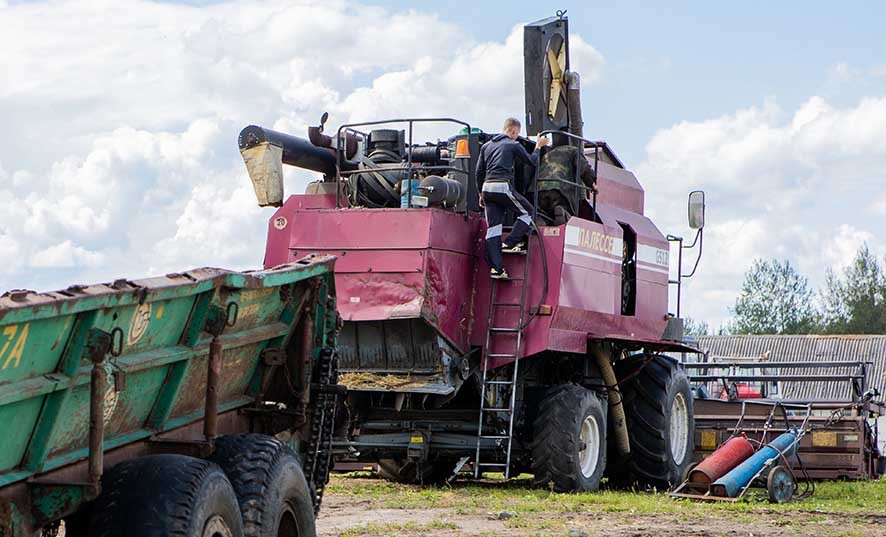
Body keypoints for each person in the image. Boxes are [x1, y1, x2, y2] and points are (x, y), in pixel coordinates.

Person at [476, 117, 549, 279]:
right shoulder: (513, 144)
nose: (516, 136)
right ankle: (510, 243)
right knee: (528, 212)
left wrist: (480, 193)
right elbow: (532, 161)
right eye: (517, 133)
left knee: (493, 228)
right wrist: (538, 146)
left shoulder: (486, 146)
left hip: (487, 189)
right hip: (502, 186)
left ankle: (497, 269)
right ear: (513, 131)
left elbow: (478, 172)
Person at [535, 130, 596, 225]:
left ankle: (541, 219)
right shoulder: (573, 150)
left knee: (544, 211)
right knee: (566, 207)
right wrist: (592, 184)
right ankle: (563, 212)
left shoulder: (548, 153)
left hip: (539, 189)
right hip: (560, 189)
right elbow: (583, 167)